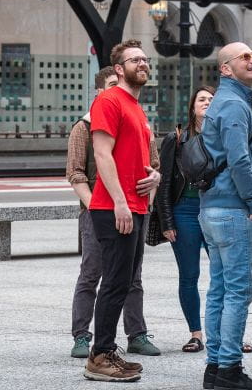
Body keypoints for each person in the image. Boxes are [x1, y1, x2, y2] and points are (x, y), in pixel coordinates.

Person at [67, 67, 160, 361]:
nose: (117, 92)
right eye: (110, 86)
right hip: (102, 210)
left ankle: (136, 334)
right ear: (99, 92)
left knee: (131, 277)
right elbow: (76, 174)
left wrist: (150, 193)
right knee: (92, 274)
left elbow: (153, 166)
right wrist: (98, 207)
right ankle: (84, 336)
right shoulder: (83, 127)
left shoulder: (138, 119)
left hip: (133, 208)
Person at [199, 42, 252, 390]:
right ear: (225, 68)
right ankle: (229, 369)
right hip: (233, 211)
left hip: (212, 209)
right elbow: (240, 161)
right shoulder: (233, 105)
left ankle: (214, 368)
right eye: (244, 56)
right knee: (238, 292)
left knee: (219, 290)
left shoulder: (222, 103)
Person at [156, 85, 216, 353]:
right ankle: (196, 334)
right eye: (201, 99)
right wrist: (167, 222)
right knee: (189, 275)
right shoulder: (177, 138)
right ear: (192, 106)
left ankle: (229, 334)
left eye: (211, 99)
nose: (206, 102)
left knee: (225, 276)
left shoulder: (225, 135)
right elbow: (165, 183)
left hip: (217, 210)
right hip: (185, 212)